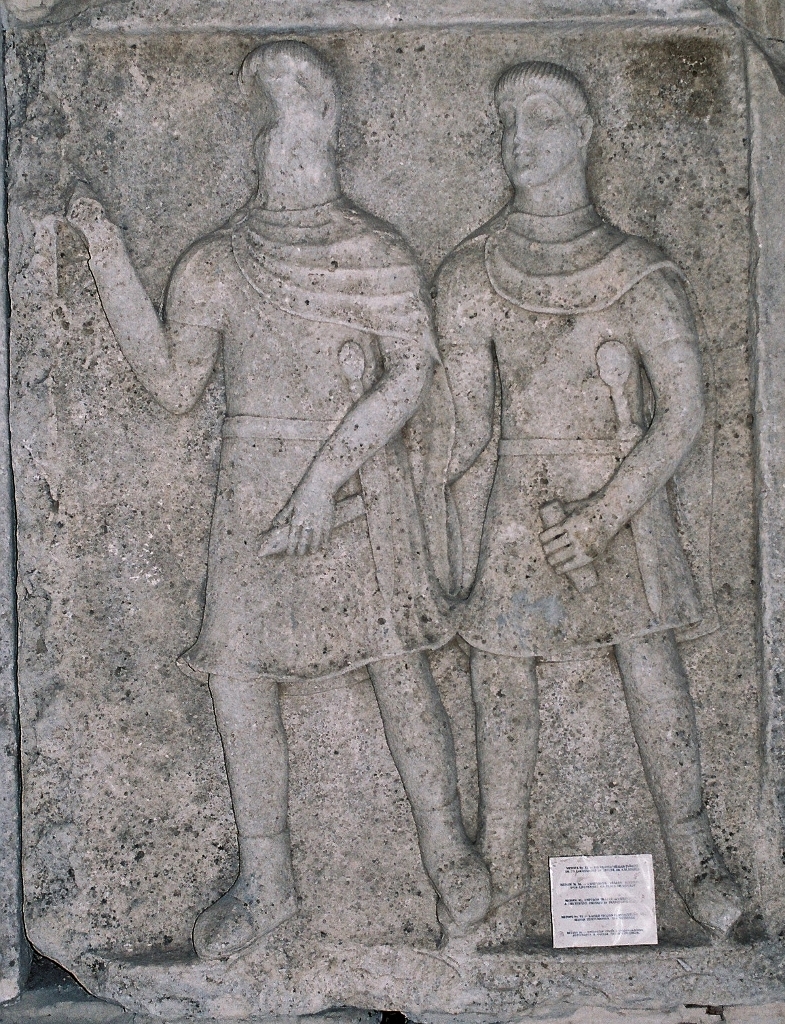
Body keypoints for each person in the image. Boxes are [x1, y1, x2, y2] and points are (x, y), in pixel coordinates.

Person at [67, 40, 490, 960]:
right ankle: (268, 887)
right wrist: (106, 258)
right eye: (269, 120)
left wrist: (325, 477)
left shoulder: (373, 252)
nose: (283, 138)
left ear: (330, 126)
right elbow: (174, 383)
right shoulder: (217, 262)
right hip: (252, 488)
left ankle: (450, 858)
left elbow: (411, 372)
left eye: (300, 113)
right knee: (239, 681)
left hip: (355, 483)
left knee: (397, 667)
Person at [433, 60, 742, 943]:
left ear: (582, 133)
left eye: (538, 119)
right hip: (517, 506)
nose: (518, 141)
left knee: (650, 665)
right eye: (507, 125)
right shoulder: (470, 274)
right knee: (500, 671)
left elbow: (683, 412)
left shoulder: (638, 274)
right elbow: (467, 430)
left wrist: (604, 515)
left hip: (620, 500)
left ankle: (695, 855)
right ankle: (500, 865)